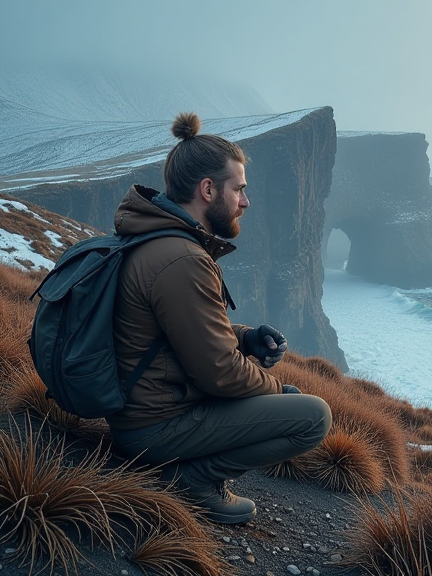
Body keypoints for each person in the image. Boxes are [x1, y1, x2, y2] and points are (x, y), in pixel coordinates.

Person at [107, 112, 331, 524]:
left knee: (290, 401)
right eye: (239, 190)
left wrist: (244, 337)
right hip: (154, 425)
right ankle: (193, 482)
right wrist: (277, 389)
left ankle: (187, 470)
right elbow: (221, 376)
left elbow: (171, 325)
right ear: (208, 189)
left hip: (142, 407)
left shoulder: (158, 238)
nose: (245, 202)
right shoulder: (181, 258)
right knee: (311, 416)